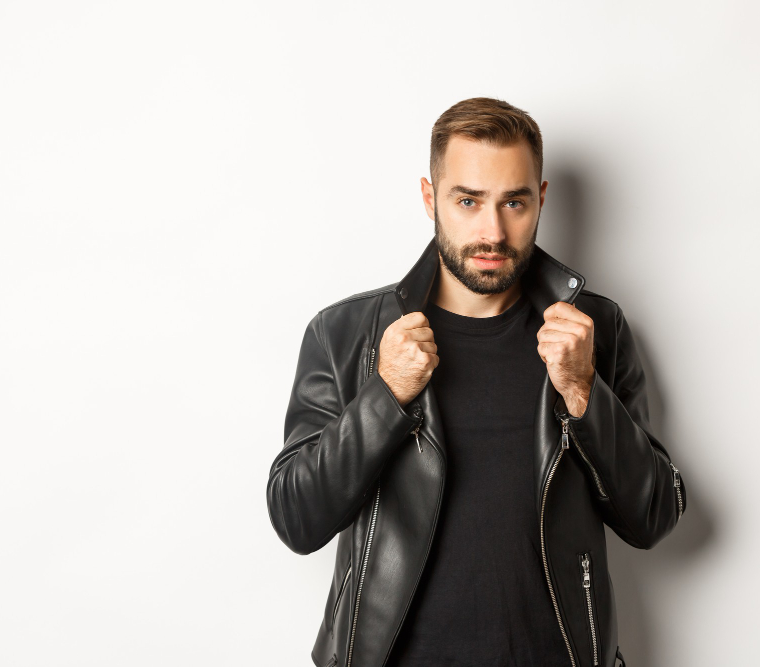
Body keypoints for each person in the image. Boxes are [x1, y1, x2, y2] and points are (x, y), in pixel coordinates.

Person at [267, 97, 686, 667]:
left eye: (513, 202)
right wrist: (385, 394)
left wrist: (585, 394)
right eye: (468, 201)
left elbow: (653, 517)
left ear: (540, 199)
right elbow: (296, 518)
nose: (493, 231)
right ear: (428, 198)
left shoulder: (594, 331)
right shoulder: (346, 335)